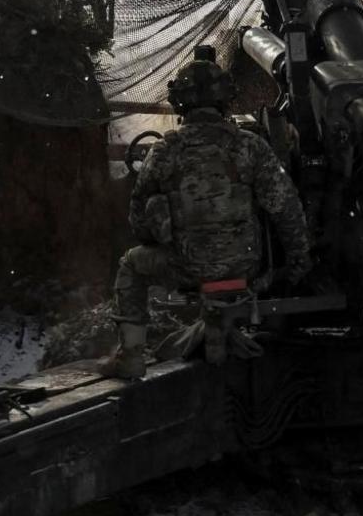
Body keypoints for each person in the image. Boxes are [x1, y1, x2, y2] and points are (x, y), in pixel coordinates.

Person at [99, 46, 311, 379]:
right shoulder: (250, 146)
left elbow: (139, 222)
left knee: (130, 264)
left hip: (187, 267)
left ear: (180, 102)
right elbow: (286, 209)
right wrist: (298, 260)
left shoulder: (164, 151)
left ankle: (131, 356)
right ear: (226, 99)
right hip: (246, 265)